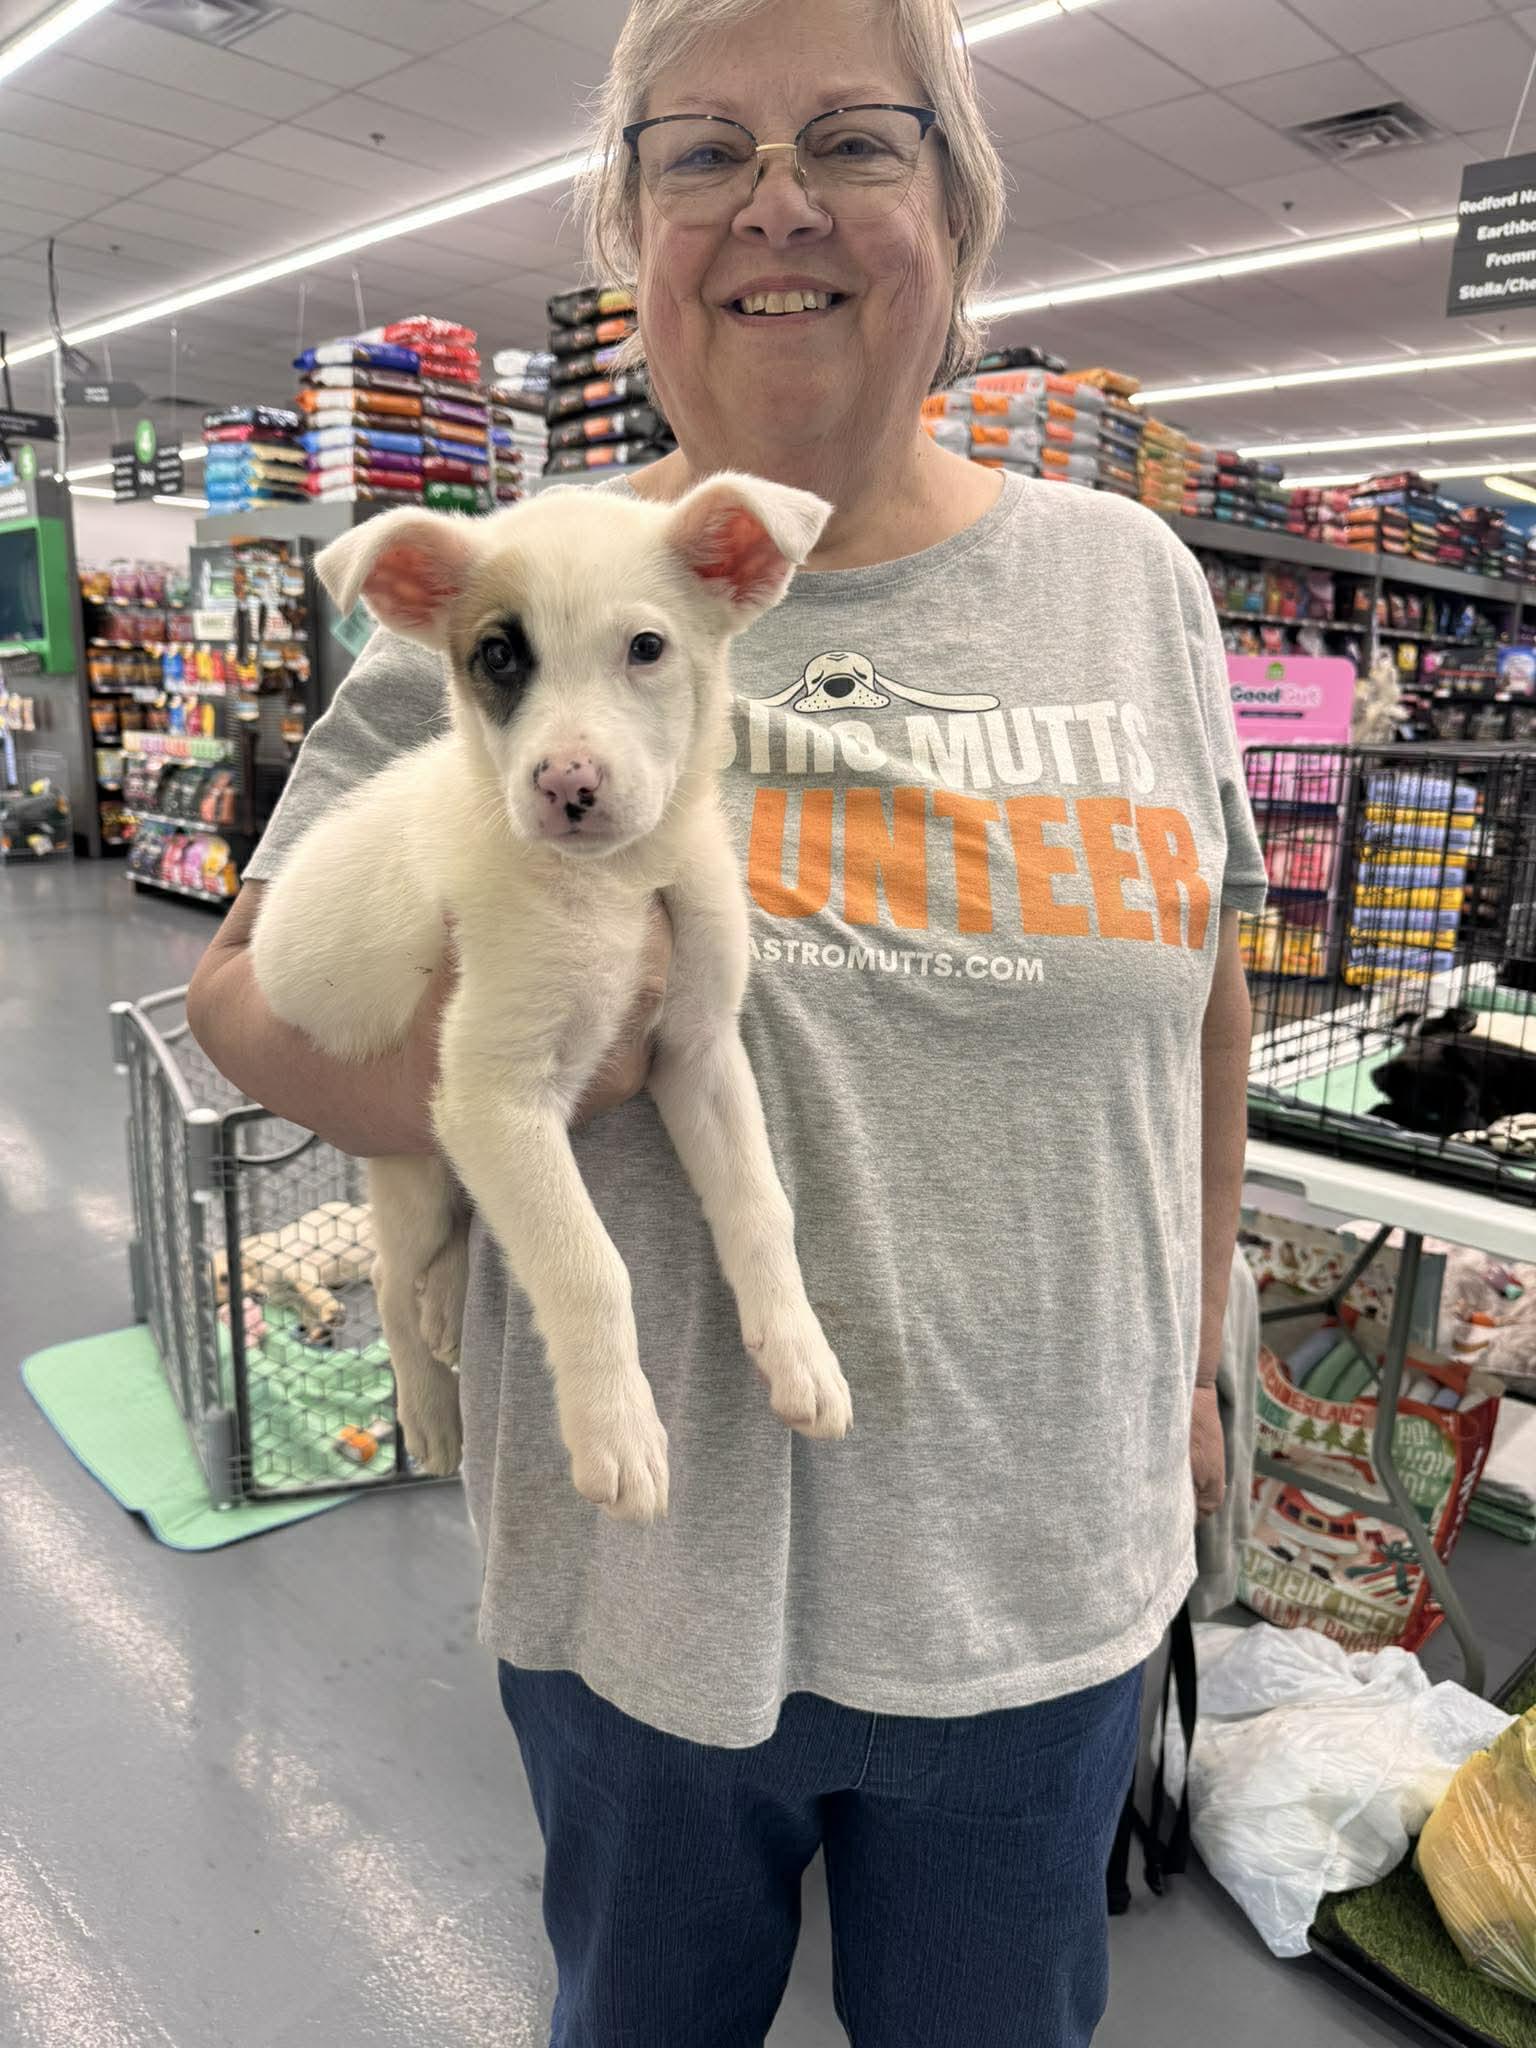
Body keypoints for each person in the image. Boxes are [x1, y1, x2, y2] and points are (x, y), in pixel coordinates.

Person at [188, 0, 1265, 2040]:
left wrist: (1202, 1360)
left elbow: (1209, 1000)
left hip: (1041, 1589)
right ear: (628, 229)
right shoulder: (511, 596)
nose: (778, 205)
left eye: (857, 142)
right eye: (700, 154)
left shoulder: (1134, 586)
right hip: (641, 1610)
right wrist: (512, 1065)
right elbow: (239, 991)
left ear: (958, 209)